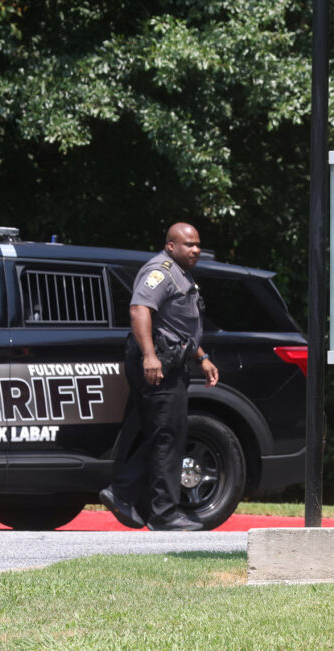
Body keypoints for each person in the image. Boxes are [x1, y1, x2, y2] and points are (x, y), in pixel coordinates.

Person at [100, 223, 219, 531]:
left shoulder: (180, 274)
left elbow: (178, 325)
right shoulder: (161, 272)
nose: (195, 249)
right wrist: (151, 356)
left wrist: (201, 356)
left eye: (197, 244)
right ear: (170, 246)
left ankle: (123, 493)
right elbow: (140, 310)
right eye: (188, 244)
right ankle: (163, 513)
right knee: (168, 435)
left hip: (172, 359)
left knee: (161, 434)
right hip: (159, 363)